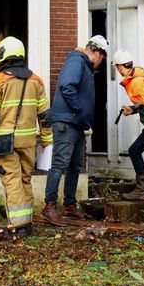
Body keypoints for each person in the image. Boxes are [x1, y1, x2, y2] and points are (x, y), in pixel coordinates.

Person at [0, 36, 53, 237]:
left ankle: (18, 226)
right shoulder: (37, 82)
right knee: (25, 180)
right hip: (29, 143)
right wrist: (46, 139)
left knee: (12, 181)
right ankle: (27, 223)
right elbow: (45, 116)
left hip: (5, 143)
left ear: (3, 55)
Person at [42, 35, 109, 225]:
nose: (101, 61)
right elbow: (66, 86)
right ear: (96, 52)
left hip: (76, 124)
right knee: (60, 164)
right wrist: (78, 109)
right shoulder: (76, 61)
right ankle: (49, 206)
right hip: (67, 123)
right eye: (102, 57)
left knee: (75, 166)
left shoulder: (84, 66)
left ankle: (69, 206)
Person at [112, 49, 144, 201]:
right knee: (135, 150)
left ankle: (143, 190)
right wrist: (133, 109)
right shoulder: (138, 78)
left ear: (120, 67)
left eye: (117, 67)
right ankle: (142, 189)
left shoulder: (137, 82)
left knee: (135, 150)